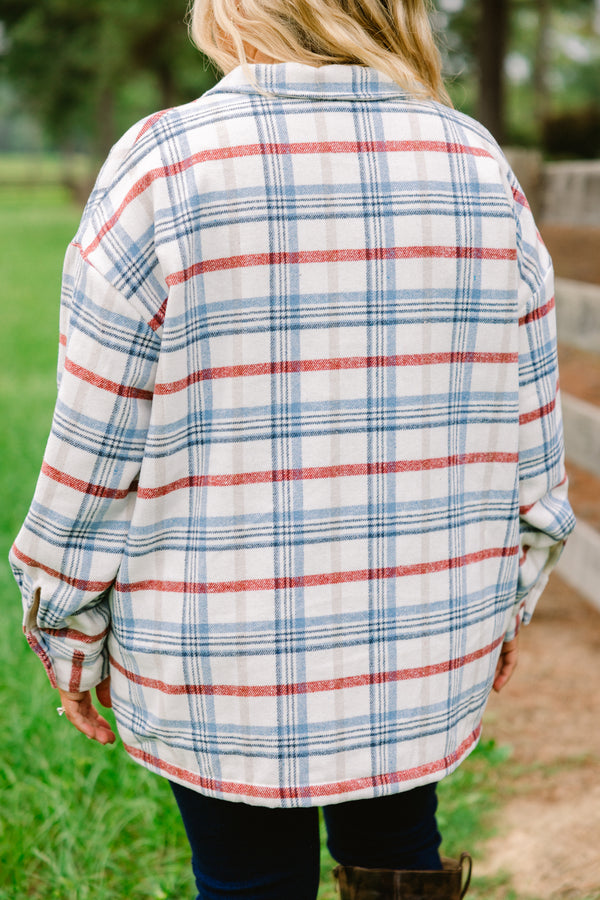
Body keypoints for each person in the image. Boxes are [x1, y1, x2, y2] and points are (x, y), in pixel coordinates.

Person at [10, 0, 575, 897]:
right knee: (399, 854)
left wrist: (68, 631)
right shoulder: (476, 164)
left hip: (220, 664)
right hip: (417, 645)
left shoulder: (165, 165)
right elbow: (534, 463)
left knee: (245, 877)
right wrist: (504, 609)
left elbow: (93, 452)